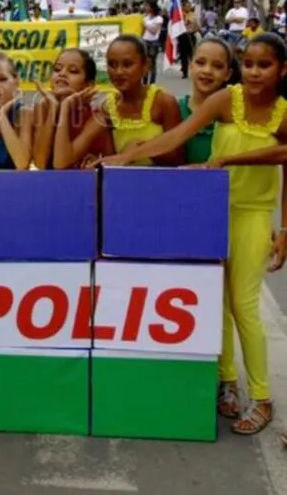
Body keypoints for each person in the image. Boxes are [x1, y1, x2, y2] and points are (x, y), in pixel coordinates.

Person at [98, 33, 287, 436]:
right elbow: (178, 136)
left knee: (244, 305)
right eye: (249, 64)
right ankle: (227, 383)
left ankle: (263, 396)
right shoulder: (226, 100)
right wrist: (126, 156)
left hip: (251, 214)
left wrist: (283, 226)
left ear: (281, 70)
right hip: (208, 210)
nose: (255, 72)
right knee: (216, 300)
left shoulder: (283, 112)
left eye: (264, 65)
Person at [53, 36, 182, 169]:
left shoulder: (163, 102)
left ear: (145, 66)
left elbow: (178, 157)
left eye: (127, 64)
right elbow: (61, 162)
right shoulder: (107, 108)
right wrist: (65, 107)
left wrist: (139, 149)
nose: (118, 72)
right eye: (112, 65)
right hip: (121, 183)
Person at [36, 48, 113, 169]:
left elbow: (60, 164)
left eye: (73, 71)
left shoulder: (98, 119)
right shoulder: (45, 107)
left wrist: (65, 107)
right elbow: (40, 163)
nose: (62, 74)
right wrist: (53, 108)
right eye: (57, 69)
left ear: (88, 85)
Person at [178, 37, 234, 164]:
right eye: (200, 63)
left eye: (218, 66)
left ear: (228, 74)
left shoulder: (235, 116)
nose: (207, 71)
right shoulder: (175, 109)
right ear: (191, 66)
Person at [142, 0, 163, 84]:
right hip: (145, 41)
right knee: (145, 63)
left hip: (154, 43)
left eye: (147, 6)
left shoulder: (159, 18)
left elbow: (154, 31)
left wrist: (145, 25)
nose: (146, 8)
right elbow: (143, 31)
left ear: (152, 7)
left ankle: (152, 83)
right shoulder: (145, 18)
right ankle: (144, 82)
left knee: (152, 64)